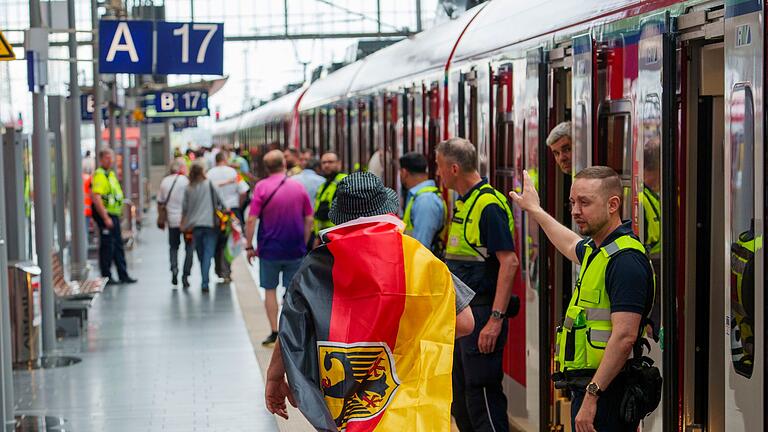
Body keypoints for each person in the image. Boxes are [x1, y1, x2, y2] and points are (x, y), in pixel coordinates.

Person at [263, 171, 476, 427]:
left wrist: (275, 376)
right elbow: (464, 323)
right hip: (409, 411)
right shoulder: (419, 259)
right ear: (385, 210)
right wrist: (405, 340)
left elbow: (291, 329)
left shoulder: (317, 266)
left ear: (341, 215)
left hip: (345, 411)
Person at [509, 166, 655, 432]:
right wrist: (535, 210)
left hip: (608, 393)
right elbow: (567, 243)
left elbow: (625, 338)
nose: (575, 211)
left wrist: (592, 396)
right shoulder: (597, 250)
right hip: (593, 387)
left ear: (613, 205)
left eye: (584, 203)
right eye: (572, 202)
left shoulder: (626, 261)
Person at [435, 137, 519, 432]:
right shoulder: (466, 202)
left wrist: (495, 320)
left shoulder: (488, 205)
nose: (438, 174)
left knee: (482, 395)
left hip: (483, 315)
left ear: (454, 168)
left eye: (440, 167)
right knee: (462, 399)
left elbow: (509, 262)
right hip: (463, 316)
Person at [245, 150, 314, 346]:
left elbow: (251, 219)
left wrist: (249, 245)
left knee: (269, 290)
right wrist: (304, 239)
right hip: (295, 248)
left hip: (269, 250)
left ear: (267, 167)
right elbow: (309, 217)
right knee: (293, 292)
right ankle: (291, 333)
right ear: (284, 164)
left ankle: (274, 332)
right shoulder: (298, 187)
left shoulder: (261, 188)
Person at [91, 148, 137, 284]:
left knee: (117, 244)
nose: (110, 160)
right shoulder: (100, 175)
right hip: (107, 215)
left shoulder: (109, 174)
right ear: (101, 159)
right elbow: (96, 197)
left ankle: (123, 274)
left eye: (111, 157)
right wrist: (105, 217)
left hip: (114, 214)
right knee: (107, 246)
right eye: (107, 157)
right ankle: (107, 276)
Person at [181, 161, 225, 292]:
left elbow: (185, 208)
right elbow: (221, 202)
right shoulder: (210, 184)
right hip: (210, 225)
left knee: (200, 254)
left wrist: (182, 224)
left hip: (194, 226)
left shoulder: (188, 188)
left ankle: (204, 278)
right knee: (208, 254)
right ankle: (205, 282)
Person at [207, 152, 249, 282]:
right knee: (230, 241)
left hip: (215, 212)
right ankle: (226, 270)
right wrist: (239, 207)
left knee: (217, 240)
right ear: (225, 159)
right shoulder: (234, 173)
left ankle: (218, 268)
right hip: (232, 211)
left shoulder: (209, 174)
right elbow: (243, 191)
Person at [399, 152, 446, 255]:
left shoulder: (425, 200)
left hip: (422, 267)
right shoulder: (420, 197)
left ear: (404, 173)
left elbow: (421, 246)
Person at [159, 158, 193, 288]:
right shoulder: (186, 181)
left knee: (173, 247)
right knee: (189, 247)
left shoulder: (164, 181)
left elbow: (161, 201)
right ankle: (185, 275)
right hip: (187, 222)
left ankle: (174, 268)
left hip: (172, 221)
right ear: (181, 168)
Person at [313, 152, 347, 243]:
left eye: (330, 162)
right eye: (324, 163)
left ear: (339, 163)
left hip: (336, 236)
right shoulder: (323, 185)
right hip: (323, 236)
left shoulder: (344, 181)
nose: (326, 165)